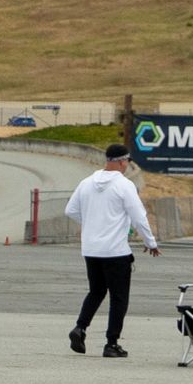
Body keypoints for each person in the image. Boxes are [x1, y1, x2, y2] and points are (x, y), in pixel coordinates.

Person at [65, 143, 159, 356]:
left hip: (91, 249)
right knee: (119, 298)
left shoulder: (86, 182)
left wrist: (90, 224)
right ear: (122, 161)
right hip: (116, 251)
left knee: (96, 291)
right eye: (126, 162)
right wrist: (150, 242)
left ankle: (80, 328)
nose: (126, 166)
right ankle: (111, 343)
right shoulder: (124, 186)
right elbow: (138, 217)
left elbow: (70, 210)